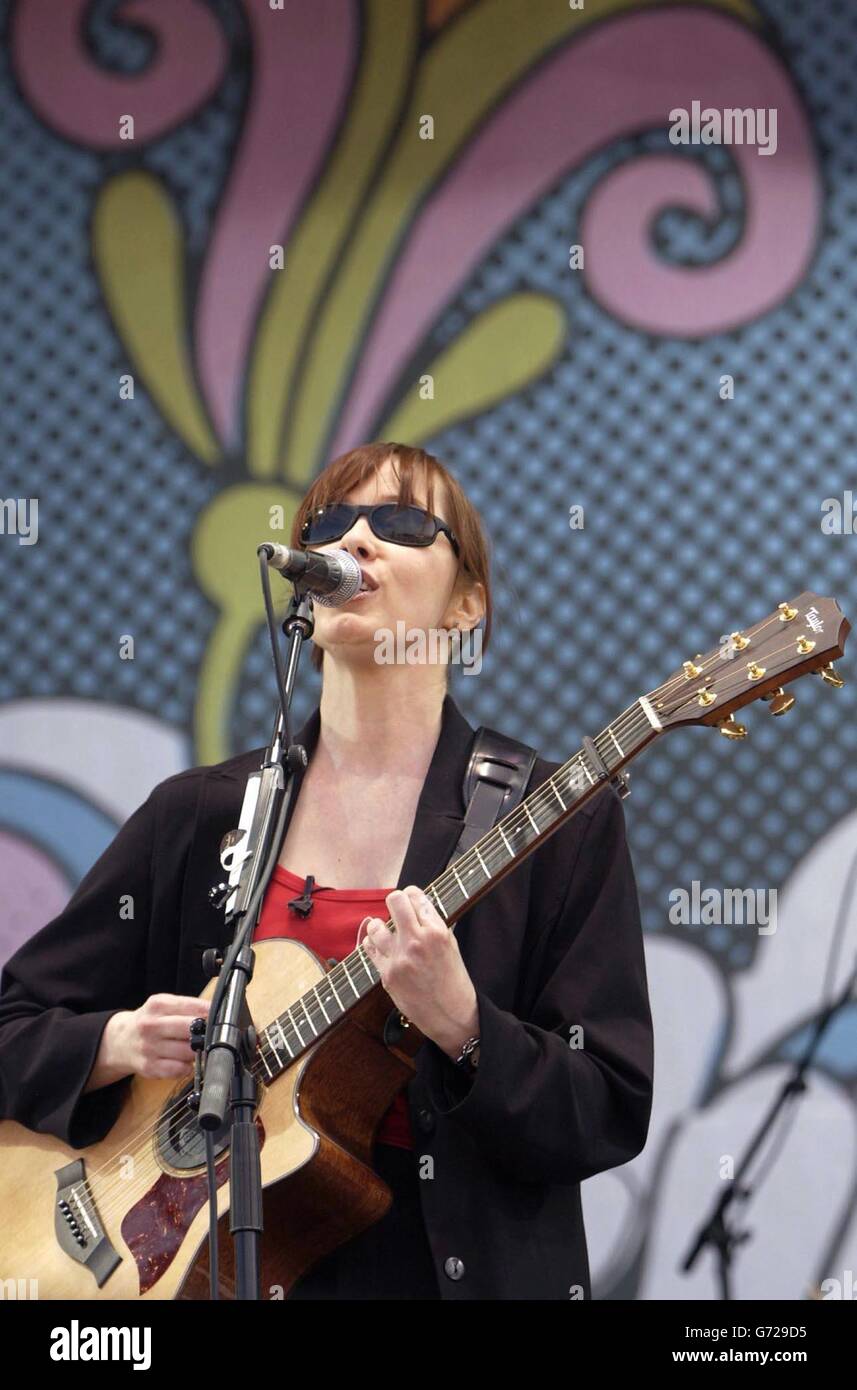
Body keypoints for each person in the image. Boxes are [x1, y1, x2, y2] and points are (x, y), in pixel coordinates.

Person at [0, 440, 654, 1300]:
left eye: (401, 522)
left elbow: (605, 1107)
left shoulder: (554, 822)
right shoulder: (199, 813)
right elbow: (13, 1027)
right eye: (329, 523)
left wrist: (463, 1026)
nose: (353, 539)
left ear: (466, 604)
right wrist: (115, 1045)